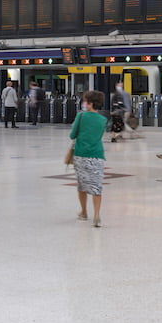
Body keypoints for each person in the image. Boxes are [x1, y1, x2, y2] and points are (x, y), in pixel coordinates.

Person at [70, 90, 107, 228]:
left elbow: (72, 135)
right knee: (96, 186)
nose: (84, 104)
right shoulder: (103, 120)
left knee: (82, 184)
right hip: (97, 155)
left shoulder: (81, 116)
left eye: (85, 102)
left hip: (81, 154)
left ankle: (84, 211)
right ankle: (97, 215)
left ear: (90, 104)